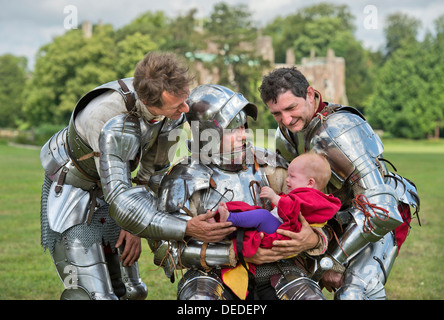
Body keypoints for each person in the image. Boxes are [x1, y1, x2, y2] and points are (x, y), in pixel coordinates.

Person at [39, 51, 234, 300]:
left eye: (185, 100)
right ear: (149, 101)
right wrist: (186, 227)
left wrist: (134, 229)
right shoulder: (104, 116)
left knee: (133, 291)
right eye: (177, 105)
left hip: (116, 190)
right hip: (73, 189)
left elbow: (152, 173)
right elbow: (120, 198)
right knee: (94, 295)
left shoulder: (170, 112)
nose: (185, 109)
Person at [152, 84, 328, 300]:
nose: (243, 135)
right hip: (213, 274)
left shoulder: (271, 165)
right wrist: (232, 253)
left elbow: (316, 212)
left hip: (277, 268)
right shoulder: (184, 178)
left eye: (244, 126)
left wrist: (313, 239)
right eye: (233, 129)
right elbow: (165, 249)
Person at [258, 66, 420, 299]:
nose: (286, 119)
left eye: (291, 107)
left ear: (310, 95)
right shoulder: (283, 135)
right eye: (276, 113)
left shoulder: (338, 130)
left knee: (352, 292)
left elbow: (381, 206)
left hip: (377, 216)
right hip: (332, 217)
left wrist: (332, 262)